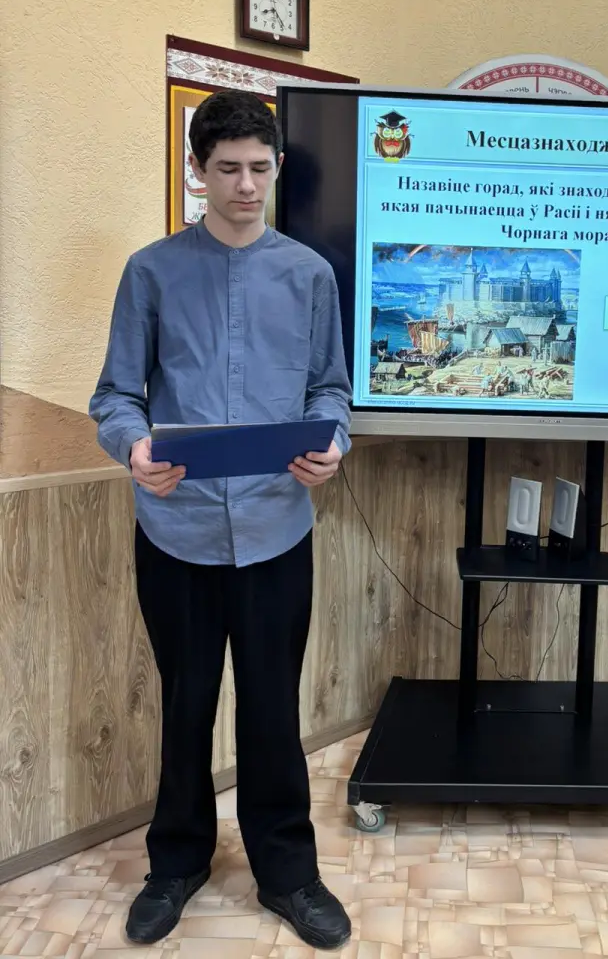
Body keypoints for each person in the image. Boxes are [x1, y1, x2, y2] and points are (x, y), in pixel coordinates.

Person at [89, 89, 353, 952]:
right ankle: (175, 865)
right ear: (198, 171)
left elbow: (329, 389)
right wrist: (133, 447)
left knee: (273, 710)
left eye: (260, 168)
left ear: (275, 169)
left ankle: (289, 873)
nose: (246, 185)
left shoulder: (309, 275)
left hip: (278, 529)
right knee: (186, 705)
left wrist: (332, 442)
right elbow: (116, 396)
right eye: (229, 168)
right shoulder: (151, 271)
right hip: (177, 531)